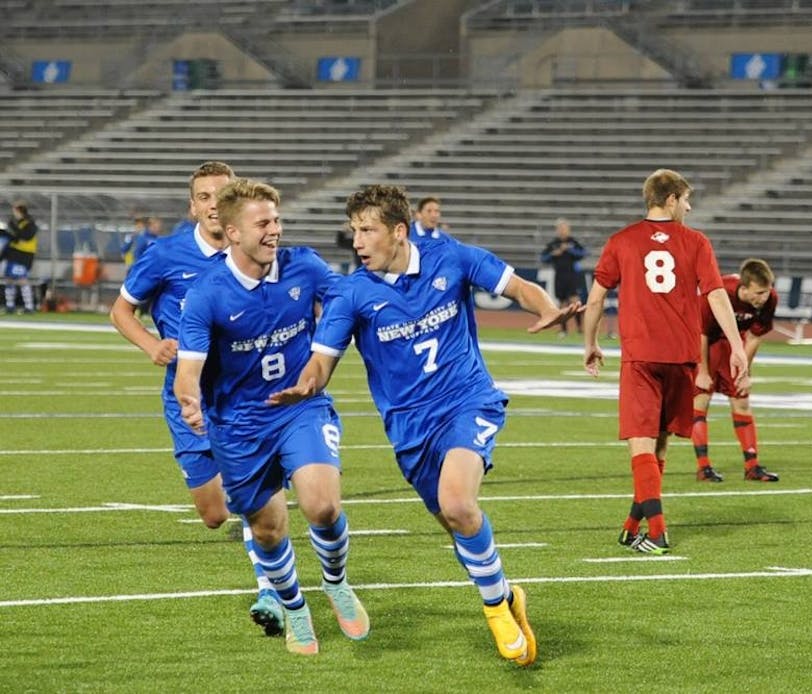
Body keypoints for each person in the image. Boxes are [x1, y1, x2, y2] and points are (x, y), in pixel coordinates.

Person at [268, 183, 577, 666]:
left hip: (466, 401)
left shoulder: (450, 258)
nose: (358, 242)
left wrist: (549, 310)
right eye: (354, 231)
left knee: (458, 502)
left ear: (398, 230)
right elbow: (321, 364)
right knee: (458, 526)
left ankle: (495, 607)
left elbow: (517, 286)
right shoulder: (352, 294)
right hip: (410, 432)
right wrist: (302, 387)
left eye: (367, 230)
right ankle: (507, 594)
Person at [174, 178, 366, 656]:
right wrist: (189, 401)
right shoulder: (206, 294)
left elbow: (348, 300)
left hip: (301, 406)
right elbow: (188, 370)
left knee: (323, 505)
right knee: (268, 528)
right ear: (234, 232)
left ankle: (336, 582)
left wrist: (323, 357)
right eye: (263, 223)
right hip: (238, 425)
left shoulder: (305, 266)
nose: (274, 230)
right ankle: (296, 609)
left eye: (277, 220)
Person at [110, 162, 287, 639]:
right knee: (213, 515)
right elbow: (121, 310)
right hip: (185, 397)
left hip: (242, 396)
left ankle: (270, 588)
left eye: (221, 195)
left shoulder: (253, 251)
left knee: (253, 495)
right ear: (193, 206)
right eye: (204, 196)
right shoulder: (164, 256)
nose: (212, 203)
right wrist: (152, 345)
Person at [581, 168, 749, 555]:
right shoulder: (695, 242)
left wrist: (590, 342)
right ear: (670, 199)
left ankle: (657, 533)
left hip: (641, 357)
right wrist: (737, 346)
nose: (689, 207)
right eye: (686, 200)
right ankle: (631, 525)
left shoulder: (622, 241)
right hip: (682, 358)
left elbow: (595, 299)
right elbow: (717, 295)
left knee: (640, 447)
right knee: (659, 447)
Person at [691, 258, 780, 483]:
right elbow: (700, 332)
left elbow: (755, 336)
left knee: (742, 401)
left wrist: (744, 372)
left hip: (734, 343)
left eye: (766, 292)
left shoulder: (770, 299)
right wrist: (702, 370)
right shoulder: (718, 293)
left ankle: (752, 466)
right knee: (701, 399)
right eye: (758, 293)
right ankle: (703, 467)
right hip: (705, 341)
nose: (763, 298)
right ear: (744, 286)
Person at [540, 217, 587, 337]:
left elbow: (583, 253)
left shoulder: (573, 242)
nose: (562, 231)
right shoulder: (553, 244)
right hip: (559, 276)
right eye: (560, 228)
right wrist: (554, 254)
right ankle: (564, 330)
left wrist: (570, 251)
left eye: (564, 228)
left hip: (572, 275)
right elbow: (543, 258)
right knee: (562, 303)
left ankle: (580, 328)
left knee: (575, 302)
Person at [4, 200, 39, 314]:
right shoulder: (18, 223)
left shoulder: (29, 223)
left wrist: (13, 227)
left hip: (23, 255)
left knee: (21, 279)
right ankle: (10, 305)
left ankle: (29, 306)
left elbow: (25, 236)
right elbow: (14, 238)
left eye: (15, 210)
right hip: (14, 254)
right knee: (9, 279)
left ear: (19, 211)